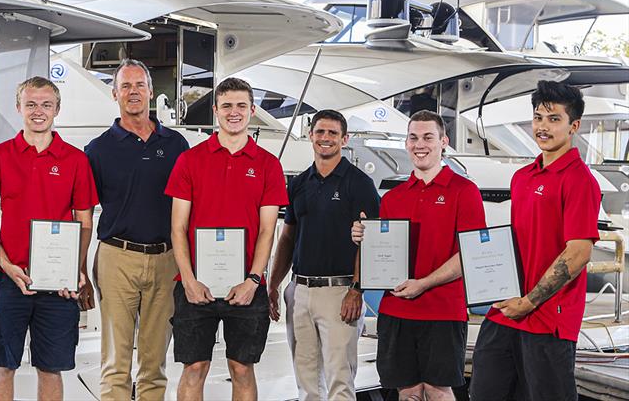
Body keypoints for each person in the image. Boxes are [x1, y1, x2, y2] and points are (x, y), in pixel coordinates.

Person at [470, 81, 601, 401]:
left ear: (574, 126)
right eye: (538, 117)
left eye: (553, 119)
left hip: (547, 320)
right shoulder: (522, 177)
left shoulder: (580, 181)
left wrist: (528, 302)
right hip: (505, 312)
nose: (543, 126)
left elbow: (578, 252)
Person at [165, 77, 289, 400]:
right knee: (194, 368)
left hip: (247, 287)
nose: (234, 113)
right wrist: (189, 281)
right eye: (227, 106)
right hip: (195, 285)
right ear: (216, 111)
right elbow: (178, 227)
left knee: (242, 369)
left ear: (252, 110)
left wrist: (253, 280)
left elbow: (267, 231)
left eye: (241, 106)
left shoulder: (268, 165)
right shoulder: (190, 161)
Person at [351, 110, 486, 401]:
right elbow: (380, 253)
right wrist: (364, 237)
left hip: (443, 310)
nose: (419, 144)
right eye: (413, 138)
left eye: (427, 137)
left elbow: (470, 255)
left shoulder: (465, 191)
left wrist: (424, 283)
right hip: (397, 310)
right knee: (407, 392)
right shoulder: (392, 198)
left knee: (438, 391)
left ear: (443, 142)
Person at [0, 76, 98, 400]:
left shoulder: (76, 160)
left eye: (46, 105)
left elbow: (84, 222)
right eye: (31, 104)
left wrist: (75, 270)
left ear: (57, 109)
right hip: (9, 278)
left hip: (58, 284)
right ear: (19, 107)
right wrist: (4, 264)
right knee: (5, 365)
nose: (38, 111)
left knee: (51, 367)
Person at [84, 59, 189, 401]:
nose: (133, 92)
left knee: (154, 363)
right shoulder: (98, 150)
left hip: (166, 259)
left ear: (150, 92)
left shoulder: (176, 146)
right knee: (116, 362)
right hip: (117, 257)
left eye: (139, 85)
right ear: (114, 94)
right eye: (125, 86)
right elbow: (83, 211)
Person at [268, 109, 380, 400]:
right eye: (320, 132)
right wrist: (274, 285)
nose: (325, 138)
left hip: (341, 293)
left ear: (345, 139)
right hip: (300, 291)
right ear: (310, 136)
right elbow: (288, 237)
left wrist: (357, 289)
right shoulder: (299, 183)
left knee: (339, 382)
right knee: (306, 383)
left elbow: (371, 241)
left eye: (332, 133)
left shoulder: (359, 183)